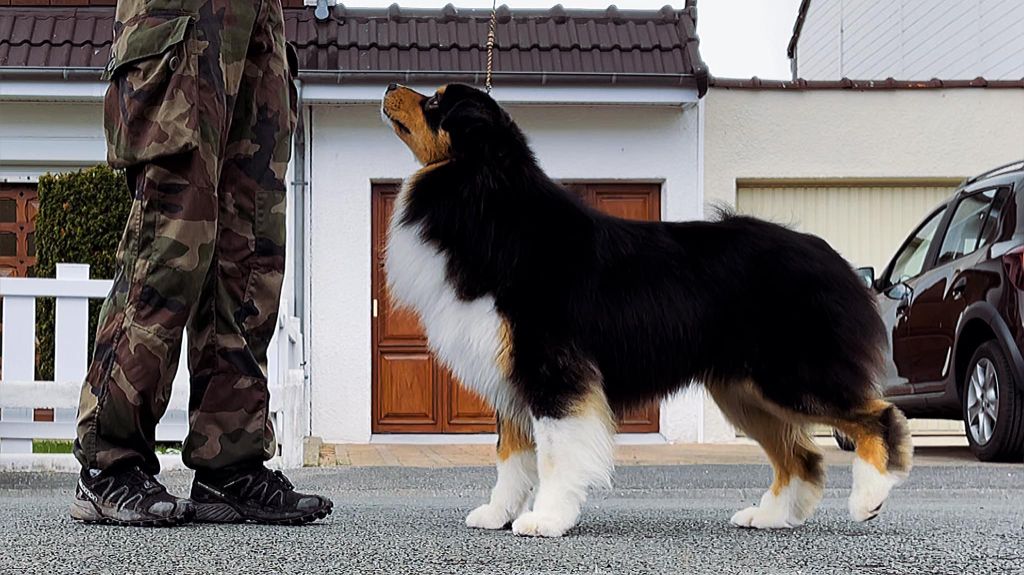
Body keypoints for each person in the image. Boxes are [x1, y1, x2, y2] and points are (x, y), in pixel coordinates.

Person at [69, 0, 332, 526]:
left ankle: (228, 463)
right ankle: (109, 460)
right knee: (172, 240)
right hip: (185, 13)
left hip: (259, 16)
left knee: (251, 250)